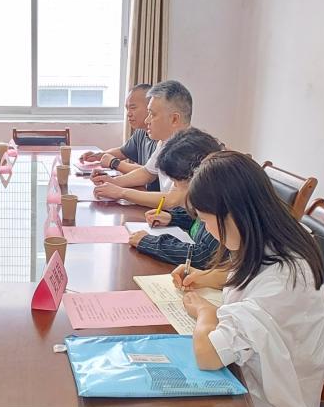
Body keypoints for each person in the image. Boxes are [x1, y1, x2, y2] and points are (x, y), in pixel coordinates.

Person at [121, 151, 324, 407]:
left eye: (207, 221)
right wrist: (206, 277)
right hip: (252, 385)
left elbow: (208, 354)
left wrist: (205, 313)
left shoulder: (281, 282)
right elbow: (248, 271)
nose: (207, 230)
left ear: (233, 214)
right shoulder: (282, 241)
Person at [127, 128, 224, 269]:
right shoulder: (208, 200)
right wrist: (172, 217)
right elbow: (196, 218)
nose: (174, 187)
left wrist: (149, 242)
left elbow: (204, 256)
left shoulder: (222, 206)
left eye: (177, 183)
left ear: (196, 177)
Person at [93, 80, 193, 208]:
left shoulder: (190, 150)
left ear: (174, 119)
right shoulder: (165, 142)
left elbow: (172, 200)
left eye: (152, 114)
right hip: (168, 215)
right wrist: (113, 182)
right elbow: (147, 173)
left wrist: (121, 192)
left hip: (182, 219)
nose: (147, 120)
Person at [79, 83, 159, 191]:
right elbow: (122, 152)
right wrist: (98, 156)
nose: (128, 114)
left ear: (151, 107)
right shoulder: (140, 132)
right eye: (127, 109)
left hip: (157, 198)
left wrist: (114, 163)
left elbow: (149, 173)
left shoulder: (162, 136)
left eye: (133, 108)